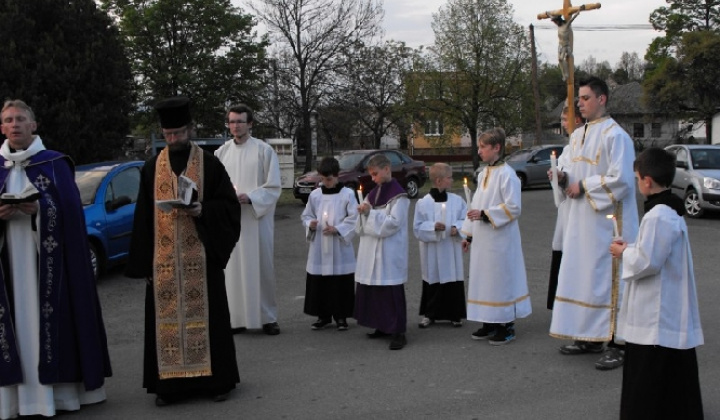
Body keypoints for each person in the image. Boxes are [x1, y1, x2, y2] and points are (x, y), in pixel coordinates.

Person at [125, 96, 241, 406]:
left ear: (190, 129)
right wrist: (145, 263)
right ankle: (170, 387)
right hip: (163, 262)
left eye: (179, 132)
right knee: (166, 325)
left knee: (209, 320)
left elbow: (229, 207)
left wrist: (203, 209)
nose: (174, 139)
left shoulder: (210, 163)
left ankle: (217, 382)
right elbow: (143, 218)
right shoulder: (152, 168)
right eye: (168, 134)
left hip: (201, 258)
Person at [0, 100, 111, 418]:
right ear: (2, 128)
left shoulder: (54, 164)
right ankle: (13, 401)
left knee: (54, 322)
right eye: (9, 120)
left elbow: (74, 218)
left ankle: (59, 395)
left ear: (33, 126)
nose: (15, 124)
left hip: (49, 268)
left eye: (21, 119)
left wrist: (41, 211)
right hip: (8, 267)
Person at [549, 76, 639, 370]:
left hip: (607, 224)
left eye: (585, 98)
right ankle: (588, 336)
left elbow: (623, 180)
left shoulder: (616, 136)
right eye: (579, 100)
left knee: (608, 281)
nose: (580, 104)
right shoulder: (577, 136)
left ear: (602, 99)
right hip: (580, 223)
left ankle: (617, 343)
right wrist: (561, 178)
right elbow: (568, 170)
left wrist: (584, 186)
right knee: (583, 277)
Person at [609, 147, 704, 419]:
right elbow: (653, 251)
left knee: (652, 371)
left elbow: (647, 262)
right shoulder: (667, 211)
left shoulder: (658, 215)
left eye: (638, 178)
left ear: (647, 181)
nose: (638, 183)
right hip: (667, 301)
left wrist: (623, 252)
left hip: (657, 310)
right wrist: (633, 246)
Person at [214, 104, 282, 335]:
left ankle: (267, 318)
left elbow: (273, 186)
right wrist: (227, 200)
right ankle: (237, 318)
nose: (235, 126)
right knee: (233, 270)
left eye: (240, 121)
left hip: (256, 220)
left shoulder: (264, 151)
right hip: (230, 221)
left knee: (261, 266)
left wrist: (251, 197)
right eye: (231, 122)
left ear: (250, 123)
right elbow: (214, 188)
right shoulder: (221, 154)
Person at [461, 128, 531, 345]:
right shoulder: (483, 173)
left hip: (500, 240)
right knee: (484, 280)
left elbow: (513, 207)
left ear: (497, 148)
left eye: (483, 147)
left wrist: (485, 215)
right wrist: (469, 235)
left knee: (500, 280)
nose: (479, 150)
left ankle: (506, 324)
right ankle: (489, 321)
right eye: (479, 146)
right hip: (483, 239)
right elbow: (476, 204)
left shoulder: (508, 175)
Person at [354, 154, 410, 350]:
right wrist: (362, 211)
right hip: (372, 249)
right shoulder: (373, 193)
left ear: (387, 169)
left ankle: (398, 331)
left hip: (389, 250)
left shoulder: (399, 196)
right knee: (375, 289)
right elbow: (365, 216)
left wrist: (370, 214)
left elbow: (394, 224)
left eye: (375, 174)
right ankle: (381, 325)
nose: (373, 178)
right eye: (371, 175)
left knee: (390, 291)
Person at [301, 157, 358, 331]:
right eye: (323, 179)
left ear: (337, 175)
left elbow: (354, 218)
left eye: (330, 179)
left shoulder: (347, 194)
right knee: (321, 281)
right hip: (320, 243)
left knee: (340, 282)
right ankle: (323, 315)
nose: (326, 182)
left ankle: (341, 317)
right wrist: (310, 223)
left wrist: (338, 229)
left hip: (339, 245)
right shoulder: (315, 195)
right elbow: (306, 215)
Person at [413, 163, 467, 328]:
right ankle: (430, 314)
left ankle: (454, 314)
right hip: (432, 250)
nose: (452, 180)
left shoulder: (457, 201)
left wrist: (456, 227)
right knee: (433, 279)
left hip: (450, 248)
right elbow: (417, 227)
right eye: (449, 178)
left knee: (451, 279)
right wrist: (432, 227)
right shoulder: (423, 204)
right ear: (438, 180)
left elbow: (466, 220)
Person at [547, 102, 584, 310]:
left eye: (563, 119)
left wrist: (564, 177)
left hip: (580, 213)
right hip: (566, 212)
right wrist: (557, 178)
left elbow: (582, 176)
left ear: (576, 120)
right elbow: (561, 188)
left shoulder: (585, 147)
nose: (562, 123)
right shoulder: (568, 149)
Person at [548, 10, 579, 81]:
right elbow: (551, 17)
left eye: (556, 21)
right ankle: (564, 74)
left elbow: (571, 20)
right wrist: (548, 14)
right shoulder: (558, 26)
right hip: (560, 45)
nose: (555, 23)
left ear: (559, 20)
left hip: (565, 46)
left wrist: (577, 13)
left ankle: (566, 74)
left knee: (561, 59)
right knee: (559, 60)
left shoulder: (566, 26)